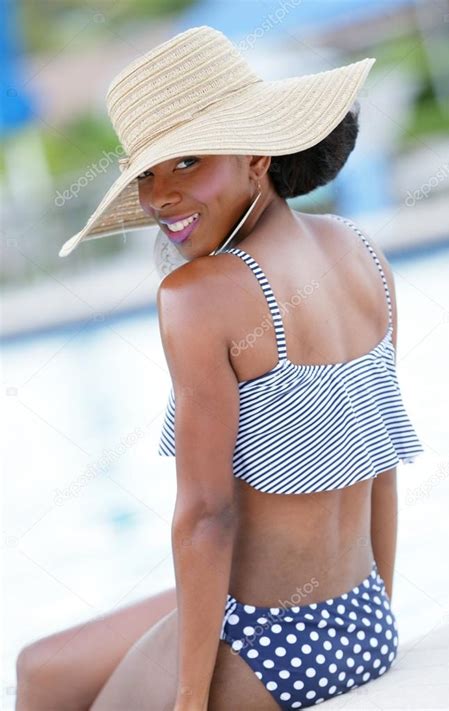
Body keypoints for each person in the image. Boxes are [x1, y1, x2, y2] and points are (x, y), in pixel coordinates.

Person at [15, 25, 424, 711]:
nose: (161, 196)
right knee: (44, 668)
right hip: (361, 619)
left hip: (270, 642)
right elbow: (377, 460)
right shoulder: (361, 252)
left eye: (186, 162)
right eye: (146, 173)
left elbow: (207, 515)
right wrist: (378, 618)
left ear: (256, 153)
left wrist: (187, 700)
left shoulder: (199, 297)